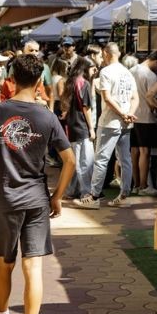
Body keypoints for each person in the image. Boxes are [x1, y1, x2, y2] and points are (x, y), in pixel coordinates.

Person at [0, 54, 77, 314]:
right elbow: (69, 160)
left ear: (11, 78)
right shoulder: (47, 117)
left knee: (4, 262)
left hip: (4, 197)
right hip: (36, 198)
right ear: (39, 82)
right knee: (33, 267)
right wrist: (57, 196)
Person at [89, 43, 139, 208]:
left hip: (110, 121)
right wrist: (128, 114)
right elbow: (135, 98)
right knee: (125, 160)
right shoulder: (127, 73)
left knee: (101, 159)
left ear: (105, 53)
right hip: (125, 123)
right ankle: (124, 195)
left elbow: (107, 98)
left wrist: (124, 114)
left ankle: (94, 196)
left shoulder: (106, 72)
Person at [61, 57, 99, 209]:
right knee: (85, 162)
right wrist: (91, 128)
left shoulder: (72, 81)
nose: (94, 71)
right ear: (85, 68)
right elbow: (86, 108)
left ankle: (71, 190)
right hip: (82, 126)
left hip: (72, 126)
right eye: (92, 68)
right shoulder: (84, 83)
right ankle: (85, 192)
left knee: (76, 161)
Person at [130, 50, 157, 196]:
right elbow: (151, 98)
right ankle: (144, 186)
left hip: (132, 115)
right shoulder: (151, 75)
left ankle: (136, 184)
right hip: (146, 116)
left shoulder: (132, 70)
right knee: (145, 152)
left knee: (134, 151)